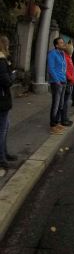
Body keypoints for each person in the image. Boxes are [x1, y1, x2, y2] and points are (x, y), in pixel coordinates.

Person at [0, 35, 17, 168]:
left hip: (3, 98)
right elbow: (6, 81)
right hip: (2, 99)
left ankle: (4, 154)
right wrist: (12, 74)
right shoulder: (1, 61)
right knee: (2, 129)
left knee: (4, 127)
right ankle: (1, 158)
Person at [48, 37, 67, 135]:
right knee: (55, 104)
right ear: (56, 45)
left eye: (63, 42)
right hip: (56, 82)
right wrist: (57, 81)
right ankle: (52, 125)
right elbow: (51, 68)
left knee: (61, 103)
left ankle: (57, 122)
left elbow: (64, 68)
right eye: (61, 43)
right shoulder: (52, 54)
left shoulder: (62, 54)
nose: (63, 44)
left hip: (63, 81)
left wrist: (65, 80)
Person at [61, 43, 74, 127]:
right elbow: (66, 71)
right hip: (68, 81)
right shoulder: (66, 58)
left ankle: (64, 118)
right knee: (65, 101)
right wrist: (71, 78)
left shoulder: (68, 58)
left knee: (66, 101)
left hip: (70, 81)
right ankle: (63, 119)